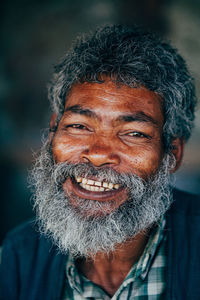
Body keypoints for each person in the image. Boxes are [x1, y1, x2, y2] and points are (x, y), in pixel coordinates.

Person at [0, 24, 199, 300]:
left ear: (172, 154)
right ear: (53, 130)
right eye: (79, 126)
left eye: (134, 133)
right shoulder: (17, 257)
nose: (98, 154)